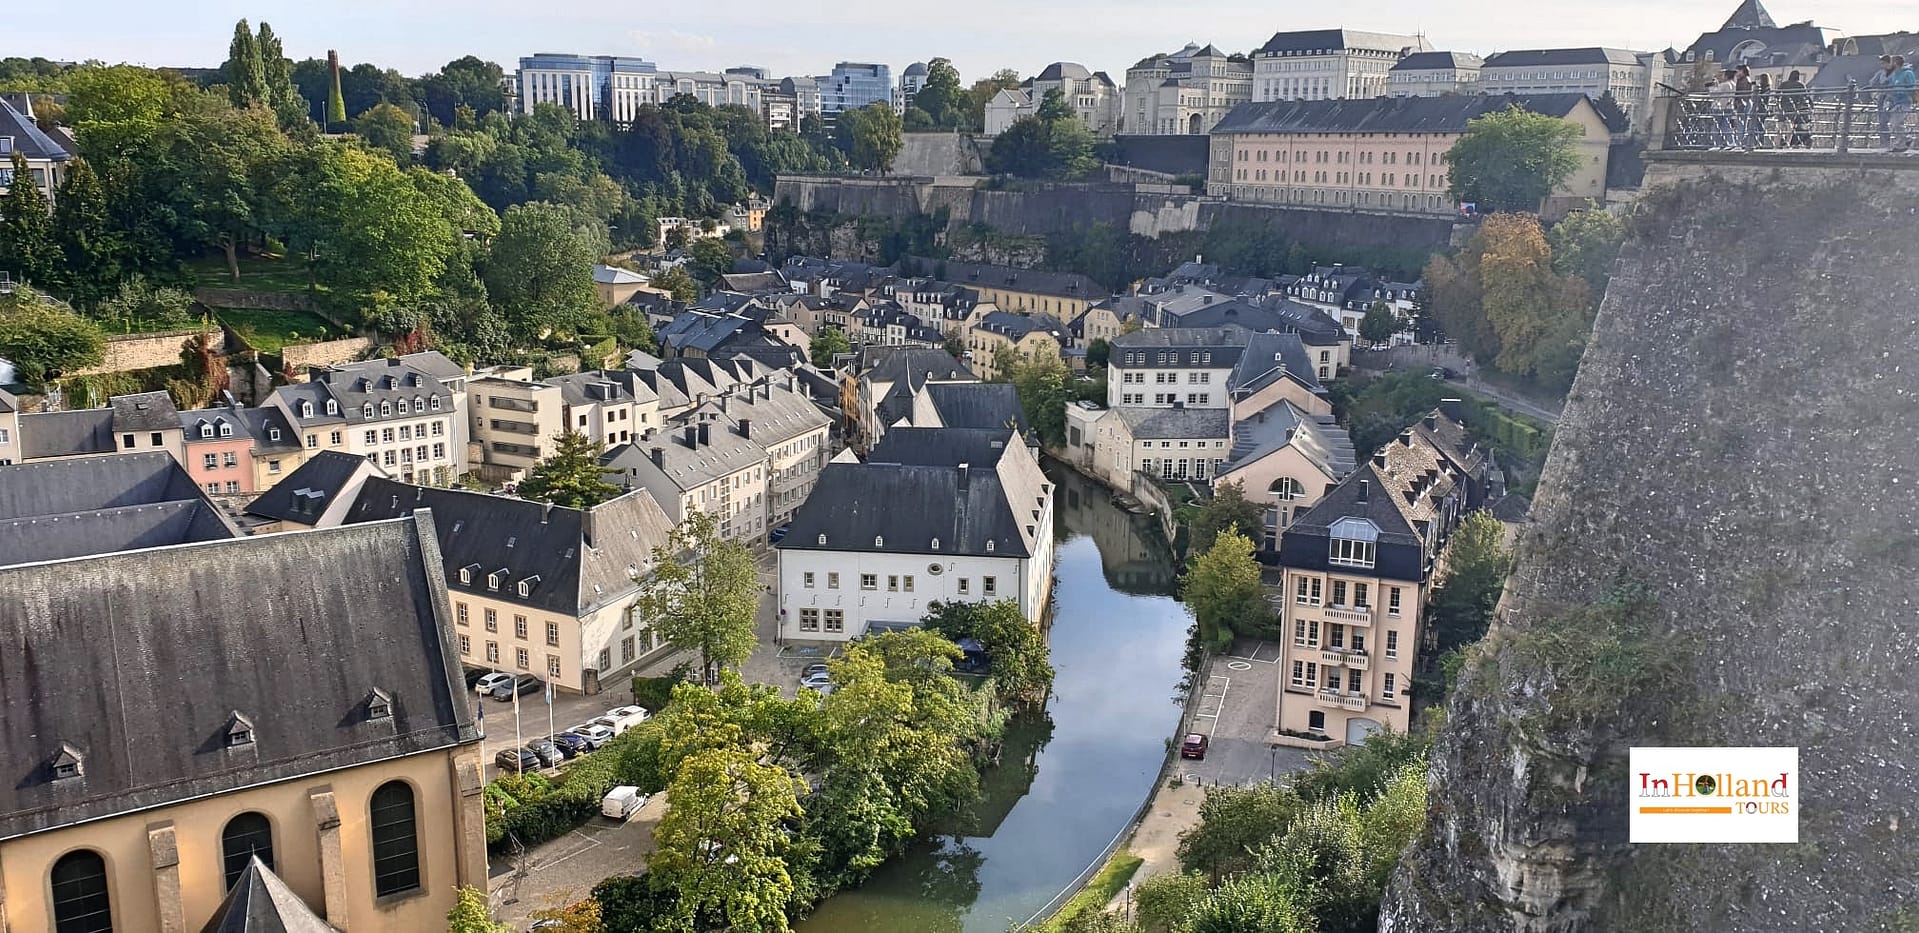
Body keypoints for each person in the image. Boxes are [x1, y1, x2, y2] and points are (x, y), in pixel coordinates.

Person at [1777, 70, 1813, 148]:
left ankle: (1778, 142)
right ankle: (1787, 143)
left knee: (1780, 125)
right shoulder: (1800, 85)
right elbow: (1806, 96)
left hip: (1783, 107)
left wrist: (1780, 101)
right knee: (1790, 127)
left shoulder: (1784, 84)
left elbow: (1777, 94)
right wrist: (1810, 105)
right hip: (1793, 108)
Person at [1891, 56, 1917, 152]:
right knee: (1894, 123)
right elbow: (1893, 86)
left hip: (1905, 101)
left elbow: (1912, 87)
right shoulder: (1894, 74)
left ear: (1895, 63)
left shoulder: (1908, 73)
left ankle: (1901, 143)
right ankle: (1905, 140)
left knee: (1898, 122)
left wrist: (1904, 93)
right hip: (1896, 102)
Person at [1708, 68, 1739, 148]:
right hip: (1729, 107)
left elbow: (1714, 94)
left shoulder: (1725, 84)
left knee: (1716, 126)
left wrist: (1712, 87)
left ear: (1727, 76)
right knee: (1726, 125)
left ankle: (1717, 144)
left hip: (1719, 107)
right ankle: (1731, 142)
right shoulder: (1734, 84)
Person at [1870, 55, 1896, 146]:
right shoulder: (1881, 72)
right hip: (1883, 97)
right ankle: (1884, 142)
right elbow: (1872, 82)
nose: (1882, 65)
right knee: (1882, 120)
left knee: (1893, 120)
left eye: (1883, 63)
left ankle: (1900, 140)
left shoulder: (1897, 72)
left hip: (1893, 97)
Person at [1752, 73, 1774, 147]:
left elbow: (1758, 97)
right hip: (1763, 108)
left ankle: (1758, 142)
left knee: (1758, 126)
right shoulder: (1768, 88)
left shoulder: (1764, 88)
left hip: (1760, 108)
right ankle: (1759, 142)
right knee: (1759, 125)